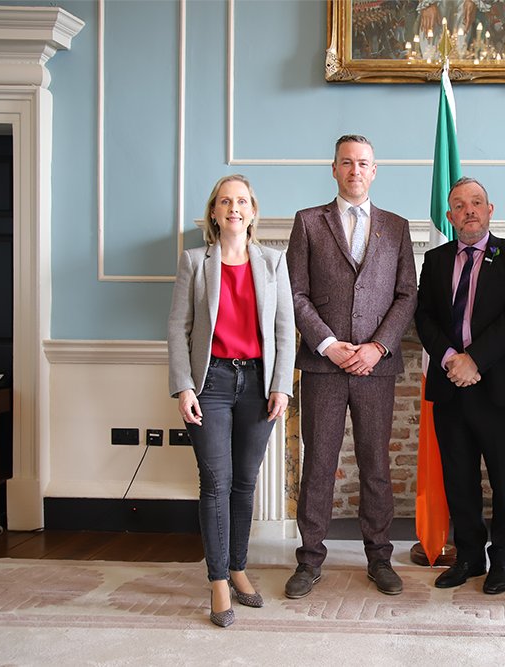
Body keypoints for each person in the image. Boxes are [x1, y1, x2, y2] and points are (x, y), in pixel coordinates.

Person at [285, 134, 418, 599]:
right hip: (324, 366)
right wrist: (327, 344)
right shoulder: (307, 223)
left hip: (375, 368)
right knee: (319, 464)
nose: (355, 170)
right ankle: (309, 560)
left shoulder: (396, 227)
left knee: (375, 465)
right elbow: (295, 294)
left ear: (375, 170)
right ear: (334, 169)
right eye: (347, 162)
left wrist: (377, 347)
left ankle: (380, 558)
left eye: (364, 163)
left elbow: (406, 295)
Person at [167, 174, 296, 628]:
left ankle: (239, 567)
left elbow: (284, 329)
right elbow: (178, 329)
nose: (234, 208)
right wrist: (184, 387)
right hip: (212, 384)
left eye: (241, 201)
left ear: (253, 211)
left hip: (258, 384)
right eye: (225, 201)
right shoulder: (194, 262)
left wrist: (282, 386)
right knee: (215, 482)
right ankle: (218, 579)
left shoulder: (273, 262)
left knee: (245, 481)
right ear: (214, 213)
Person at [414, 177, 505, 595]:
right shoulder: (435, 260)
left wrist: (474, 359)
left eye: (477, 203)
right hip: (450, 385)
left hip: (496, 385)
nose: (469, 210)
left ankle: (503, 560)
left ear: (490, 210)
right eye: (460, 205)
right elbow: (424, 317)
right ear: (449, 216)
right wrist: (451, 359)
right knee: (459, 478)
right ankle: (468, 556)